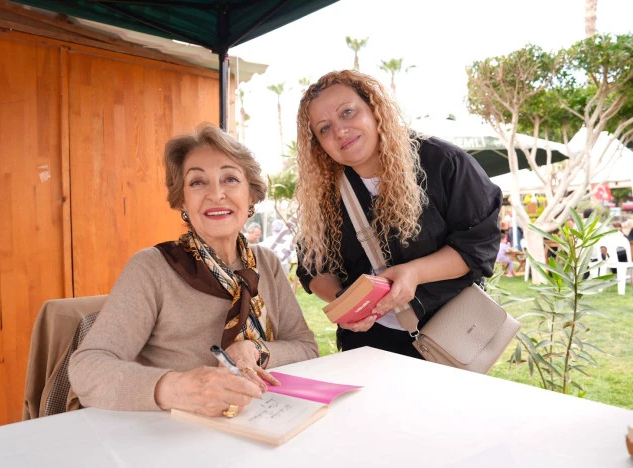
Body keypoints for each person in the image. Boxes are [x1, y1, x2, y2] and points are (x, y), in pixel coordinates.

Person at [69, 123, 318, 417]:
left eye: (230, 179)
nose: (216, 194)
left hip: (265, 418)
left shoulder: (267, 262)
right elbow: (87, 368)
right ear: (182, 201)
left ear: (250, 196)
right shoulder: (152, 267)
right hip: (175, 429)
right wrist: (176, 389)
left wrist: (256, 350)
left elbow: (306, 348)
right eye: (198, 182)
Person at [294, 70, 502, 357]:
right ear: (318, 144)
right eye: (324, 128)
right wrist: (346, 302)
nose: (340, 131)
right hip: (369, 345)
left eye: (347, 112)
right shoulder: (324, 190)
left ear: (374, 109)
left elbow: (478, 243)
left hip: (448, 336)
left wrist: (414, 273)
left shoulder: (443, 162)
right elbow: (313, 267)